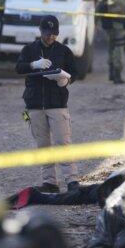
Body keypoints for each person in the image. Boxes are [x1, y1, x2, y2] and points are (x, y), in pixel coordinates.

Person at [15, 15, 79, 193]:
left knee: (63, 142)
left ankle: (72, 181)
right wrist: (34, 65)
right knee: (43, 144)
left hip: (57, 103)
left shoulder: (64, 51)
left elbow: (75, 71)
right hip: (34, 104)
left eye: (54, 34)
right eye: (47, 33)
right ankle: (50, 181)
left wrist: (66, 81)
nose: (50, 37)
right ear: (40, 31)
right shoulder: (29, 49)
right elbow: (19, 68)